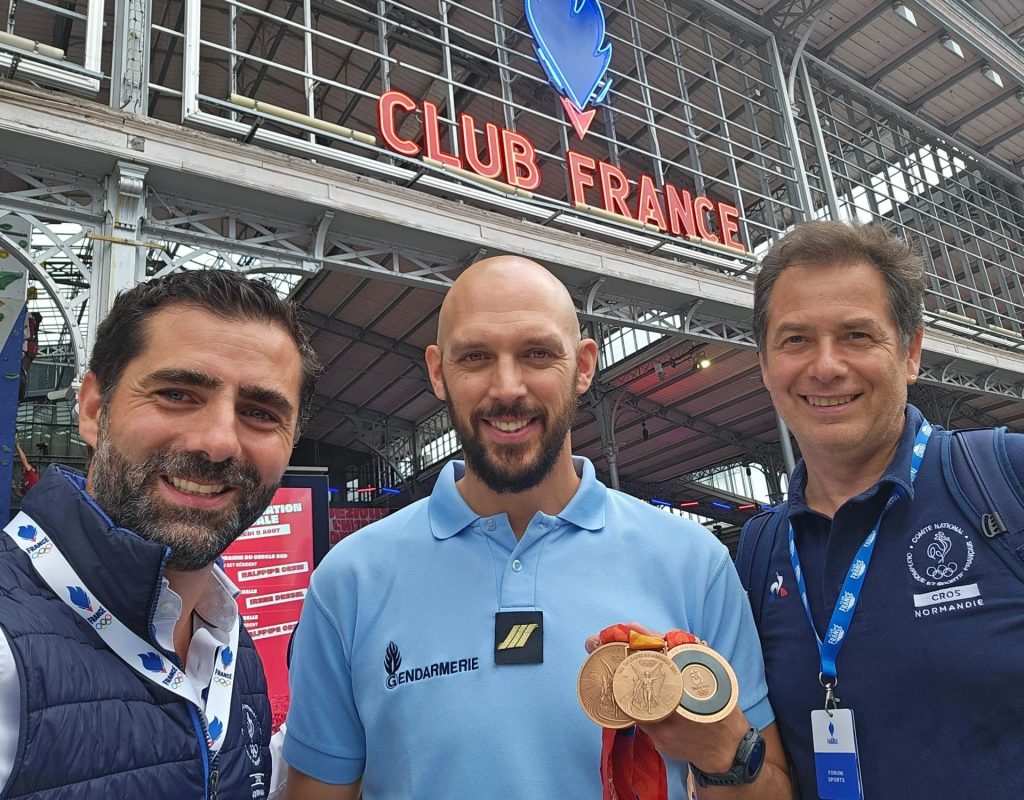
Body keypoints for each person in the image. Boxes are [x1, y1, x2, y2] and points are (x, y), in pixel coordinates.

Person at [282, 256, 791, 799]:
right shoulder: (349, 582)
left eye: (538, 354)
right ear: (437, 372)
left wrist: (723, 753)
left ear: (584, 366)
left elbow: (771, 788)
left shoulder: (692, 560)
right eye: (476, 356)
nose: (507, 387)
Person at [0, 269, 321, 799]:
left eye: (260, 413)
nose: (219, 442)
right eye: (177, 393)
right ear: (93, 409)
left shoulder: (229, 645)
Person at [739, 220, 1024, 798]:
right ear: (766, 366)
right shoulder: (760, 548)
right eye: (795, 340)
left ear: (911, 351)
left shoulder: (1005, 477)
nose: (825, 366)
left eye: (857, 336)